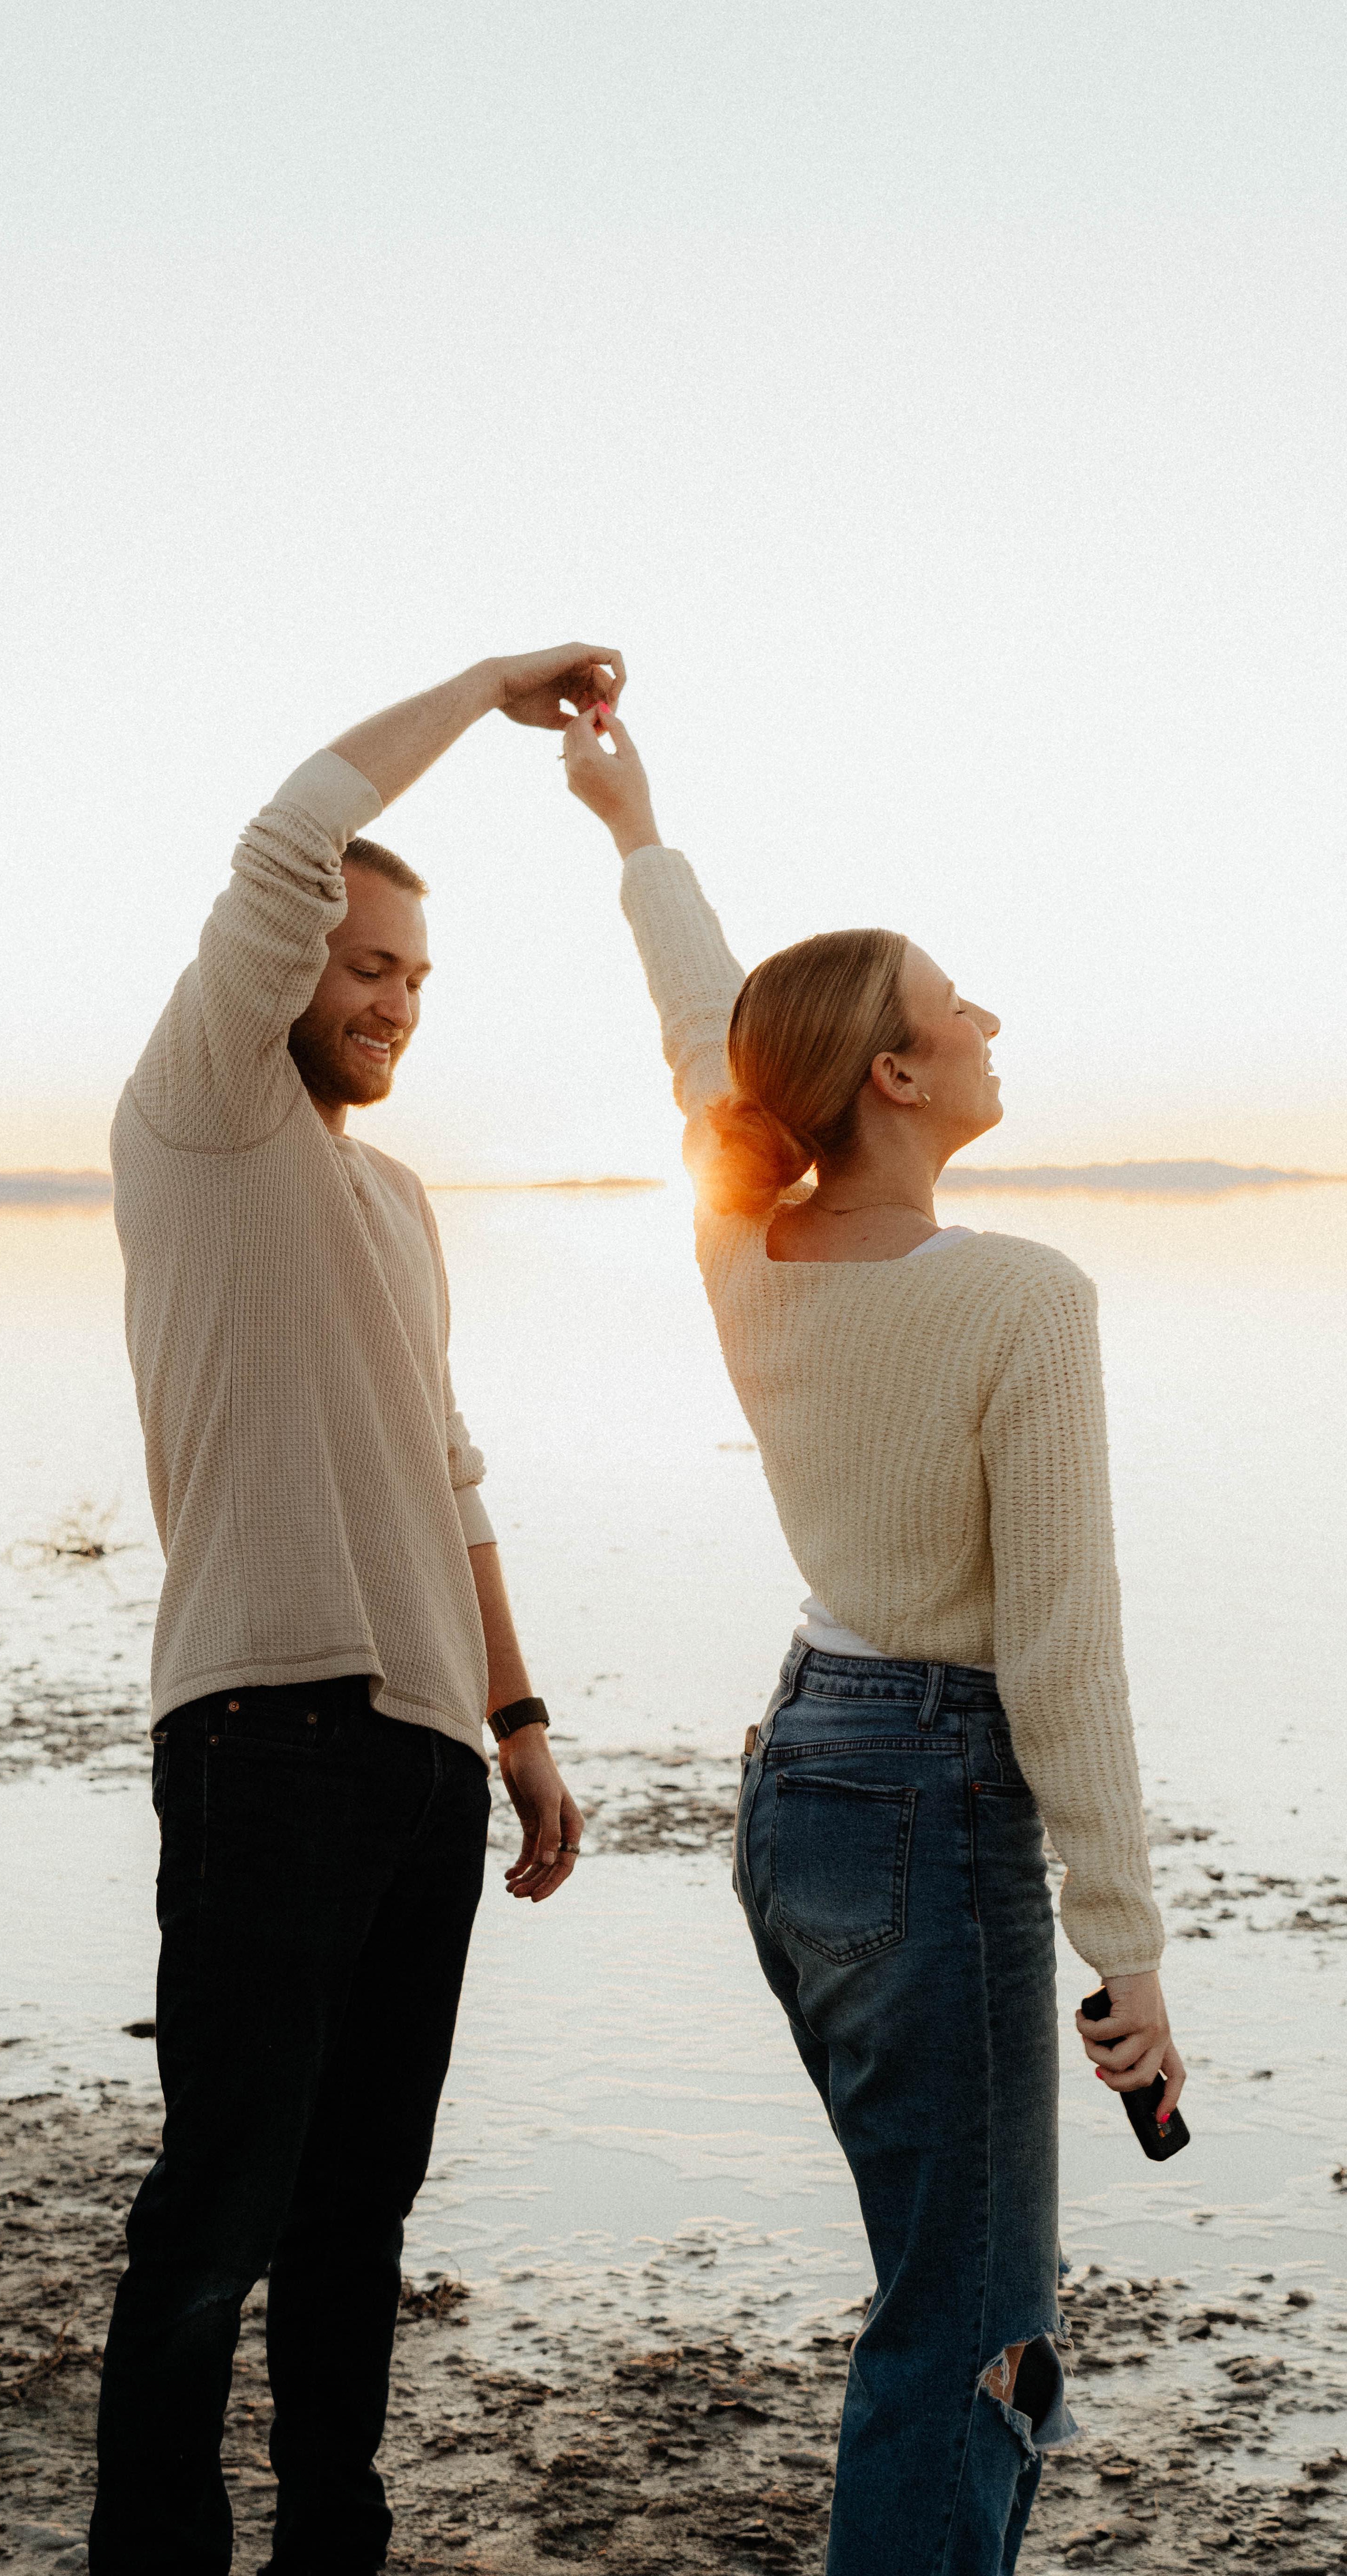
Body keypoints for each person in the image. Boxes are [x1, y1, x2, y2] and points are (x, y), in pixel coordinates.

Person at [562, 704, 1184, 2576]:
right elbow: (1063, 1649)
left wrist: (635, 829)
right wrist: (1127, 1948)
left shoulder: (744, 1251)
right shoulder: (1019, 1300)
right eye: (949, 1002)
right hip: (929, 1800)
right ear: (898, 1077)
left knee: (936, 2280)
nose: (986, 1015)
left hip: (802, 1784)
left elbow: (708, 1039)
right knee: (971, 2327)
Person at [92, 647, 613, 2576]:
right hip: (262, 1736)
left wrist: (518, 1721)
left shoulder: (395, 1199)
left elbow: (448, 1477)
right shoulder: (199, 1113)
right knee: (218, 2206)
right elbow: (295, 826)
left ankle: (336, 2547)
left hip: (420, 1764)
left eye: (415, 977)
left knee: (359, 2214)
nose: (391, 999)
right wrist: (485, 690)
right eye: (363, 963)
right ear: (287, 966)